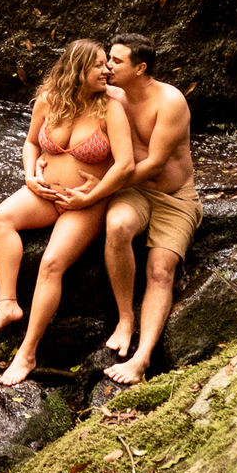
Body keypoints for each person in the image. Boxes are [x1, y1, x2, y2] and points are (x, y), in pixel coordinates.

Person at [0, 38, 135, 387]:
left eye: (107, 64)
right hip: (45, 193)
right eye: (98, 65)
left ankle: (28, 351)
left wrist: (89, 197)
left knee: (51, 264)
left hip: (87, 202)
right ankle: (8, 304)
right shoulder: (50, 100)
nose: (107, 69)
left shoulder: (110, 107)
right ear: (78, 70)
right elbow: (32, 142)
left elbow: (124, 166)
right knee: (1, 217)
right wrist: (31, 176)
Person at [100, 32, 202, 387]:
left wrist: (99, 189)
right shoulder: (110, 96)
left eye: (116, 61)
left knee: (160, 269)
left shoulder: (169, 101)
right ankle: (125, 318)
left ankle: (142, 358)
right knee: (117, 228)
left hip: (175, 198)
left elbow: (156, 162)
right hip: (135, 192)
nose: (107, 66)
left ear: (140, 68)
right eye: (107, 59)